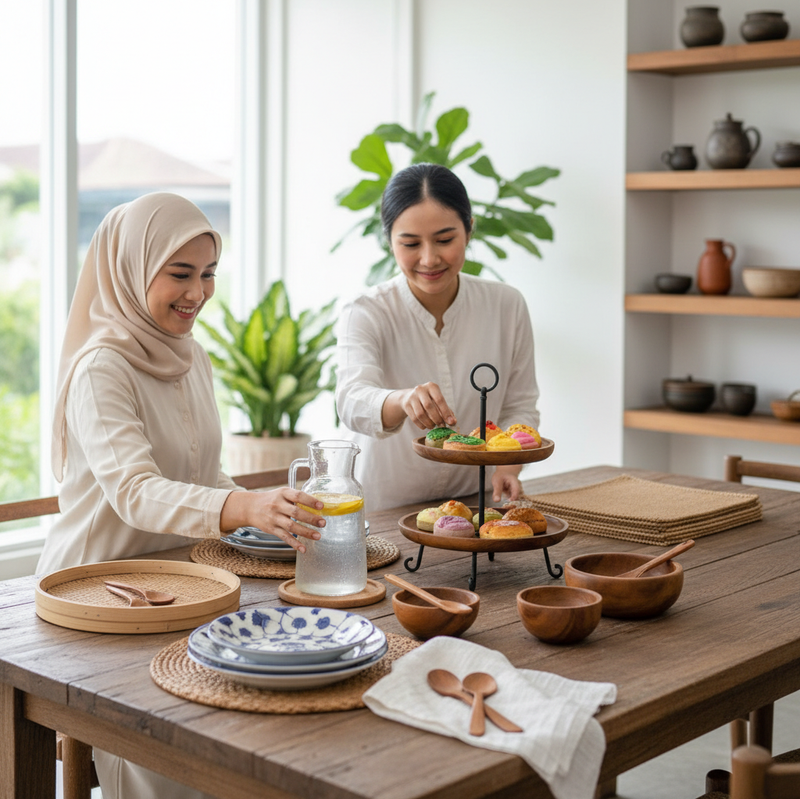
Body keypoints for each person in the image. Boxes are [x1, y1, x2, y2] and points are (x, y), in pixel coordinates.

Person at [37, 192, 326, 799]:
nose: (197, 292)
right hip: (97, 599)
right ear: (132, 269)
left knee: (265, 719)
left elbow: (204, 473)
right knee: (172, 751)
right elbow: (134, 492)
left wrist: (268, 510)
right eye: (180, 273)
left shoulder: (192, 358)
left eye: (209, 273)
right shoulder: (101, 368)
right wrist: (242, 507)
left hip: (182, 587)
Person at [335, 163, 540, 513]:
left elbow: (519, 404)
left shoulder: (506, 305)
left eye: (445, 240)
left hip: (474, 504)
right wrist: (402, 399)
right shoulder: (365, 310)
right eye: (410, 243)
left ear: (469, 230)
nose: (429, 259)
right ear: (389, 241)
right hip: (382, 508)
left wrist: (507, 467)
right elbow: (351, 400)